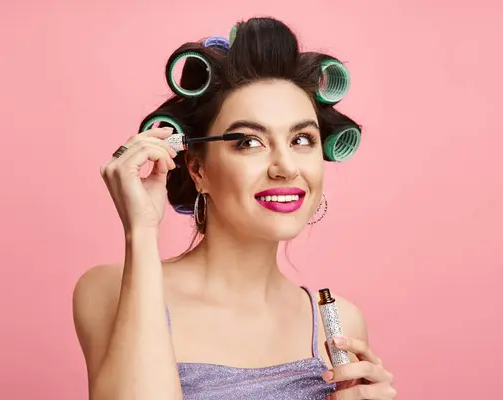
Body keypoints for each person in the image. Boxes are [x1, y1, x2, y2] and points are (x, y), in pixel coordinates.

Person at [72, 17, 396, 400]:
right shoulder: (109, 290)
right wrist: (141, 232)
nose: (286, 167)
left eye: (302, 139)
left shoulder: (339, 321)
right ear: (197, 169)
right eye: (249, 142)